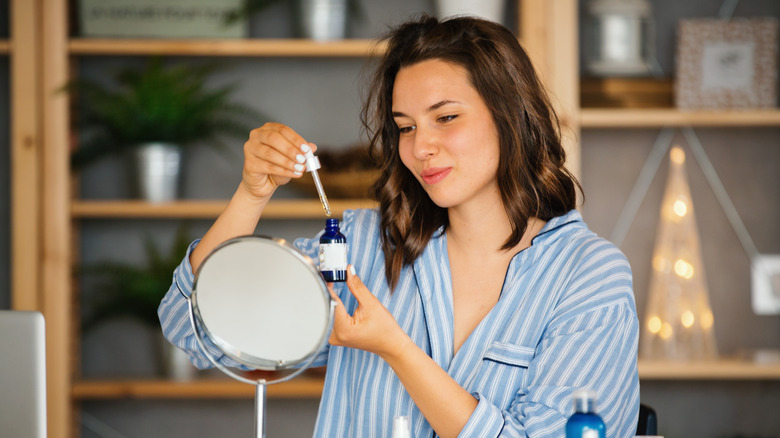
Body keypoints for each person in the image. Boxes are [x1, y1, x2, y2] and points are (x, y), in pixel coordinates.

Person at [159, 15, 640, 438]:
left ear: (511, 117)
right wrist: (253, 193)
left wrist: (396, 350)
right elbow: (192, 328)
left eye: (445, 117)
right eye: (405, 127)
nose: (420, 147)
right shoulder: (363, 250)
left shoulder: (588, 277)